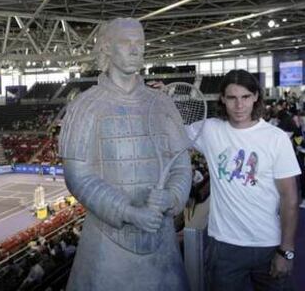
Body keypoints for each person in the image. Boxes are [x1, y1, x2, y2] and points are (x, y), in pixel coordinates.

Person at [59, 18, 191, 291]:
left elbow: (181, 165)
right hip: (106, 245)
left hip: (160, 238)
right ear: (107, 48)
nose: (135, 50)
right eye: (126, 42)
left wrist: (173, 197)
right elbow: (78, 177)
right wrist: (130, 212)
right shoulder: (84, 107)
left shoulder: (162, 103)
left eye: (140, 43)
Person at [186, 69, 301, 291]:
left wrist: (286, 251)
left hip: (269, 244)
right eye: (232, 98)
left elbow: (290, 198)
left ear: (256, 96)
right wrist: (158, 97)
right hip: (224, 247)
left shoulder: (275, 139)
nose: (239, 105)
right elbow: (171, 131)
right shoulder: (210, 129)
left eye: (245, 97)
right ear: (222, 98)